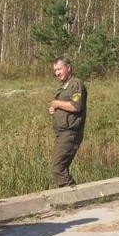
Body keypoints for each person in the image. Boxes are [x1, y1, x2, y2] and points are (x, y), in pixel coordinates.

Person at [48, 55, 87, 187]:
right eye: (55, 71)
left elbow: (76, 106)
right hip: (62, 134)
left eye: (59, 69)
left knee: (58, 168)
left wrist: (57, 103)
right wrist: (55, 109)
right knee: (58, 167)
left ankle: (74, 197)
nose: (57, 73)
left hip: (70, 133)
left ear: (68, 68)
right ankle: (72, 196)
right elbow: (66, 106)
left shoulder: (75, 84)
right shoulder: (65, 86)